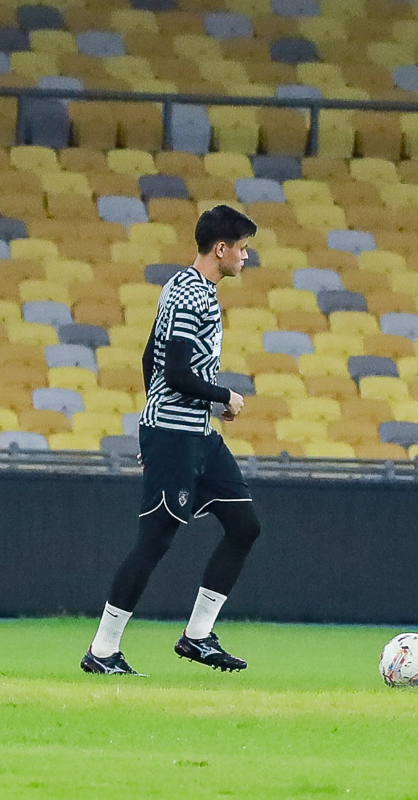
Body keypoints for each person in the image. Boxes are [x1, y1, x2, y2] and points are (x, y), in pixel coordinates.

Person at [81, 205, 261, 676]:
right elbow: (176, 372)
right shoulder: (193, 295)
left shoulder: (189, 288)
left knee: (244, 526)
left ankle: (197, 637)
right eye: (242, 248)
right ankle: (102, 650)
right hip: (176, 435)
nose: (247, 256)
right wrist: (224, 396)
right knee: (155, 541)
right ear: (220, 249)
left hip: (196, 433)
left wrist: (153, 413)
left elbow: (149, 357)